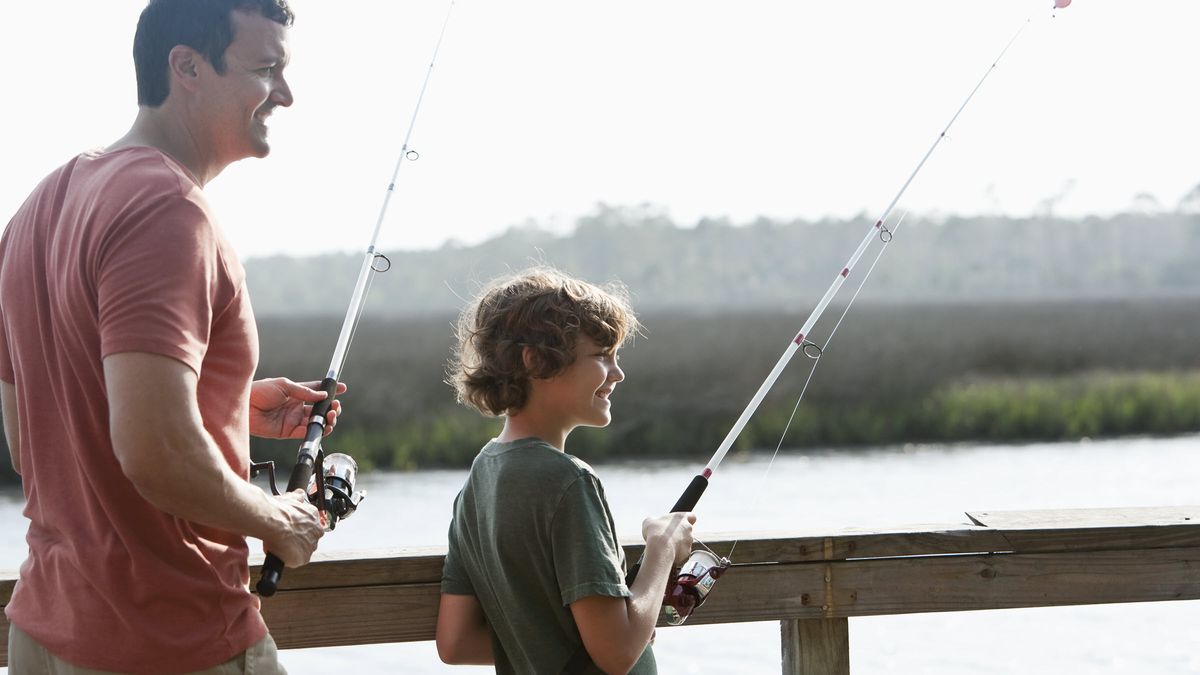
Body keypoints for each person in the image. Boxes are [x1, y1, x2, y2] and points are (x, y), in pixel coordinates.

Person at [0, 1, 340, 672]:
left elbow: (34, 433)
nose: (287, 96)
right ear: (186, 66)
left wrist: (226, 404)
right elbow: (155, 452)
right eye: (266, 68)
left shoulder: (39, 207)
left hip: (46, 633)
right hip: (172, 638)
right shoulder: (167, 209)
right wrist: (281, 521)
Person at [435, 267, 696, 674]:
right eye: (600, 356)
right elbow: (618, 653)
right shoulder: (568, 480)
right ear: (535, 360)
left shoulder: (478, 481)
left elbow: (456, 642)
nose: (617, 373)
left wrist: (605, 627)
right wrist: (661, 546)